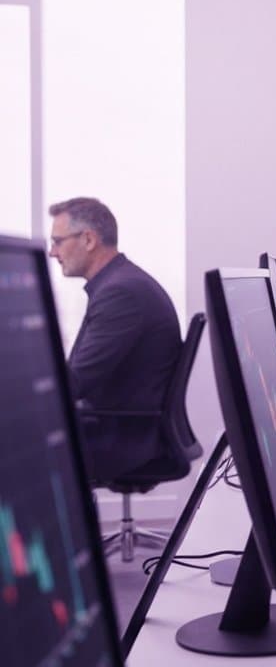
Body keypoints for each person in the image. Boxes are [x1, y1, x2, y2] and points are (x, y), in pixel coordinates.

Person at [48, 197, 182, 482]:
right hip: (122, 427)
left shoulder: (121, 293)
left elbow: (75, 383)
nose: (52, 252)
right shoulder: (120, 283)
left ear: (88, 239)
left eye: (58, 242)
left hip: (122, 438)